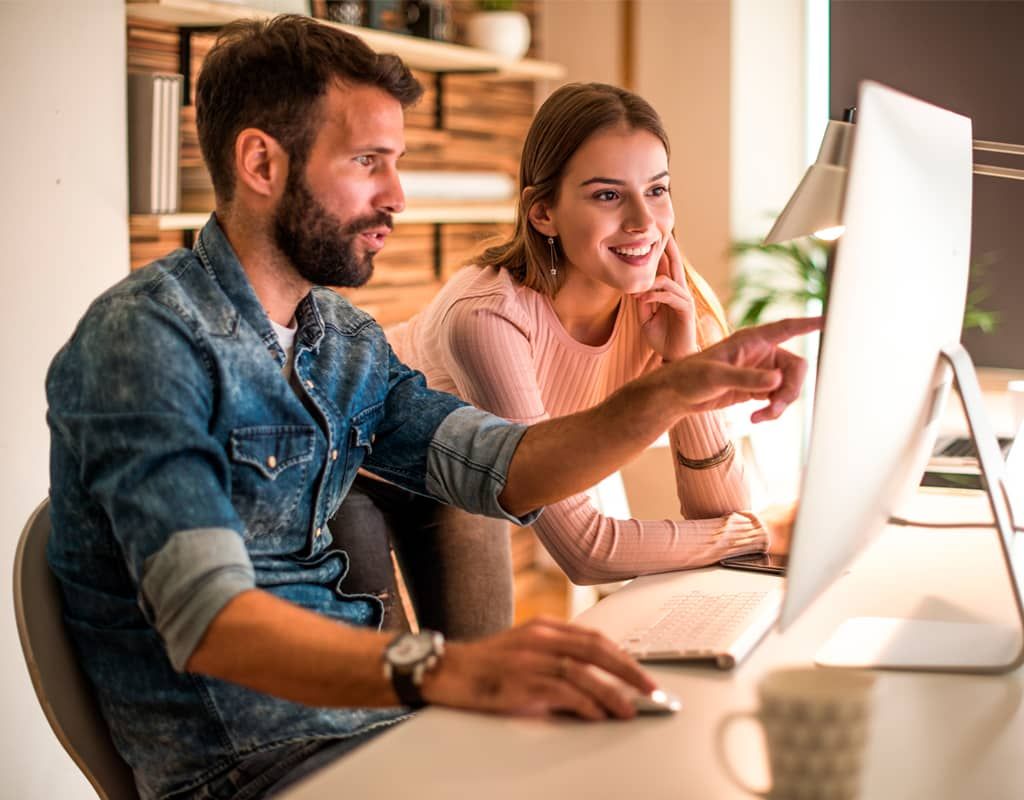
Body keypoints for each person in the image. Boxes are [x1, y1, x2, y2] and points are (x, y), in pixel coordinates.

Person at [45, 16, 817, 800]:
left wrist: (675, 386)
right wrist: (447, 669)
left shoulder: (342, 340)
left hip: (378, 733)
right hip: (251, 768)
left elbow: (506, 465)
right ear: (260, 162)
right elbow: (209, 619)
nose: (398, 195)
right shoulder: (145, 341)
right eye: (367, 162)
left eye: (399, 162)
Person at [338, 83, 786, 637]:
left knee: (481, 670)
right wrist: (762, 530)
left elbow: (718, 516)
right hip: (358, 462)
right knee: (391, 689)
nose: (644, 222)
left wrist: (680, 360)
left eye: (657, 190)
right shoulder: (488, 319)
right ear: (543, 212)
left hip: (461, 476)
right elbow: (585, 551)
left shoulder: (662, 307)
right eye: (607, 195)